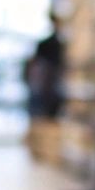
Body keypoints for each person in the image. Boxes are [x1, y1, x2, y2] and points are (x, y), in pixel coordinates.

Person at [22, 30, 66, 165]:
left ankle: (42, 151)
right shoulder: (50, 66)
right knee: (45, 122)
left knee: (41, 121)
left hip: (43, 98)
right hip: (47, 98)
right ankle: (44, 151)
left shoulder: (39, 68)